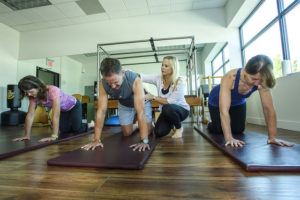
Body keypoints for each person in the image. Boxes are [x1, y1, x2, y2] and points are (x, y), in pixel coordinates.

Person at [208, 54, 294, 147]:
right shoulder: (230, 77)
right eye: (254, 79)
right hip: (216, 102)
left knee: (238, 129)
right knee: (218, 129)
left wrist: (272, 137)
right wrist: (229, 138)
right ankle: (211, 123)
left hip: (238, 101)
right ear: (245, 70)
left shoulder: (261, 81)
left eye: (260, 80)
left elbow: (268, 109)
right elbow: (224, 110)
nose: (257, 83)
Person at [81, 57, 152, 152]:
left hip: (142, 103)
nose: (113, 86)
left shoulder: (134, 79)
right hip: (125, 104)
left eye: (116, 82)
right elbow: (101, 111)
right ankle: (136, 125)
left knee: (148, 131)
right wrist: (96, 140)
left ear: (122, 73)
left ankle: (150, 125)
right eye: (110, 83)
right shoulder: (102, 84)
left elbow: (140, 111)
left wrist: (144, 140)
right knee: (127, 133)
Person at [13, 75, 87, 142]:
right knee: (64, 131)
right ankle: (73, 124)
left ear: (38, 87)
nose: (29, 94)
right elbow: (30, 115)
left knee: (77, 129)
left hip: (74, 105)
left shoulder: (53, 90)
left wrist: (54, 136)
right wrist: (26, 135)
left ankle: (89, 125)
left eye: (31, 91)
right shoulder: (32, 97)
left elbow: (55, 115)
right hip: (63, 110)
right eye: (26, 93)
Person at [141, 56, 190, 138]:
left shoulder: (180, 82)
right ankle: (172, 123)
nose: (162, 68)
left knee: (167, 107)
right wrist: (129, 73)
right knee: (158, 132)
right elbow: (143, 77)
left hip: (181, 110)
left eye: (166, 66)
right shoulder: (158, 78)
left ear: (173, 68)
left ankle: (179, 128)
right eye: (162, 65)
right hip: (167, 111)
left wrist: (153, 97)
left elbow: (170, 102)